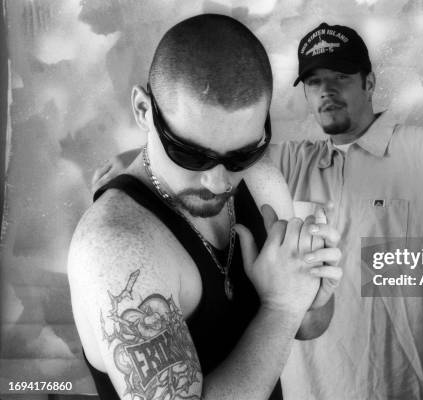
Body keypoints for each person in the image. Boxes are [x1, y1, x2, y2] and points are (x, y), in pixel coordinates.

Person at [94, 22, 423, 399]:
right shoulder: (289, 163)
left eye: (341, 77)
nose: (326, 92)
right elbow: (222, 153)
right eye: (314, 82)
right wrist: (143, 152)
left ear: (369, 82)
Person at [67, 14, 343, 400]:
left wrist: (313, 296)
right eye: (191, 155)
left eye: (243, 153)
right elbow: (285, 315)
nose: (219, 182)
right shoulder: (116, 247)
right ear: (144, 110)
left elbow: (308, 325)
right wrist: (281, 307)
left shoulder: (260, 180)